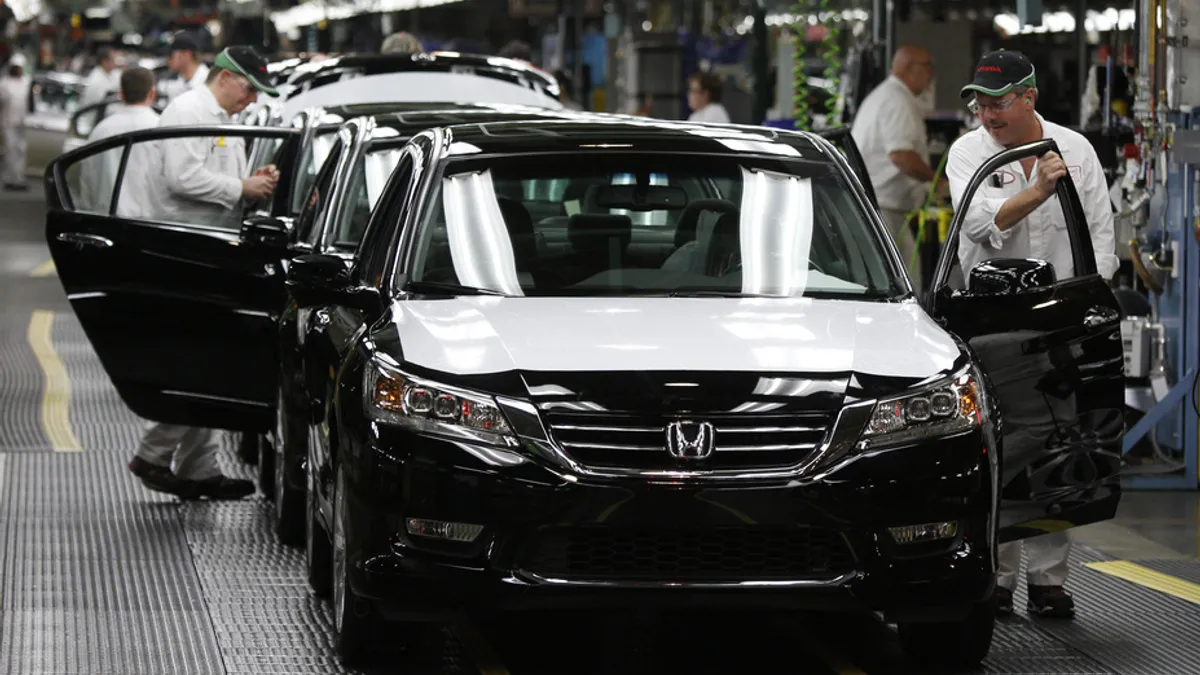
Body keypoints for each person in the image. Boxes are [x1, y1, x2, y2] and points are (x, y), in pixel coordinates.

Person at [946, 49, 1119, 619]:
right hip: (992, 324)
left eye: (998, 103)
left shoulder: (1076, 149)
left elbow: (1100, 235)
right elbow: (980, 223)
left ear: (1029, 98)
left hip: (1061, 320)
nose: (988, 115)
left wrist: (1088, 305)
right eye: (981, 103)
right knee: (1000, 445)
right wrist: (1038, 191)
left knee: (1058, 445)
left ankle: (1049, 581)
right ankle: (996, 577)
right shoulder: (967, 152)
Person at [124, 46, 281, 501]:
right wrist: (240, 186)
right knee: (203, 366)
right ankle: (153, 456)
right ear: (226, 77)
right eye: (249, 89)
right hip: (185, 254)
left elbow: (216, 185)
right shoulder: (189, 110)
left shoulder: (221, 119)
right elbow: (181, 177)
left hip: (210, 254)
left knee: (208, 363)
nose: (250, 100)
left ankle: (198, 469)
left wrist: (252, 186)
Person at [850, 46, 944, 291]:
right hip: (884, 209)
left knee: (895, 282)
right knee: (903, 286)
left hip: (881, 207)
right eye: (928, 67)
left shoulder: (886, 95)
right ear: (909, 69)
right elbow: (901, 156)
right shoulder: (897, 99)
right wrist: (938, 183)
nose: (931, 75)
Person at [79, 66, 159, 213]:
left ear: (121, 94)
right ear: (152, 94)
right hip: (148, 224)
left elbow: (87, 179)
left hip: (106, 221)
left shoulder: (101, 130)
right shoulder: (161, 129)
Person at [0, 53, 29, 191]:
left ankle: (19, 177)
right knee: (10, 150)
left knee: (21, 150)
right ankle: (9, 178)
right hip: (8, 122)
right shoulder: (4, 83)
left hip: (21, 123)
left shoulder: (26, 82)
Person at [163, 32, 209, 100]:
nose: (168, 60)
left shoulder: (207, 80)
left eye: (171, 55)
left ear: (186, 55)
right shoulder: (177, 81)